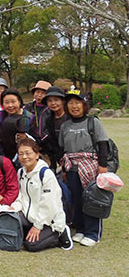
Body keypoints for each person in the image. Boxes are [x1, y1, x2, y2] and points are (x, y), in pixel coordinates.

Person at [58, 89, 109, 247]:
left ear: (84, 104)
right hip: (72, 168)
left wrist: (103, 166)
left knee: (92, 199)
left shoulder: (93, 122)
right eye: (71, 103)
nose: (74, 106)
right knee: (77, 199)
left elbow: (103, 144)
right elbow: (62, 148)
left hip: (91, 168)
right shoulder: (65, 125)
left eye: (77, 102)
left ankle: (93, 233)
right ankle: (80, 228)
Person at [9, 137, 73, 251]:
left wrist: (37, 226)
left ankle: (60, 232)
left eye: (28, 153)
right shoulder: (20, 172)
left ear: (37, 154)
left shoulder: (45, 174)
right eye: (21, 153)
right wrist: (13, 208)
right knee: (12, 222)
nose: (24, 157)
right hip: (30, 216)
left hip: (48, 220)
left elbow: (49, 204)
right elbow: (21, 196)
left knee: (30, 245)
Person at [0, 88, 33, 163]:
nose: (10, 105)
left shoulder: (29, 117)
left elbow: (37, 139)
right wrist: (3, 159)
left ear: (19, 102)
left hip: (27, 157)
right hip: (4, 157)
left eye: (13, 102)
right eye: (6, 102)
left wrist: (26, 138)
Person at [41, 86, 68, 169]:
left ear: (63, 101)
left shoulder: (70, 116)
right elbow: (53, 140)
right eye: (49, 101)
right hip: (60, 156)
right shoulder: (49, 120)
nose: (53, 103)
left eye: (56, 100)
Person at [24, 80, 52, 146]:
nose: (39, 95)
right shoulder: (28, 107)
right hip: (30, 143)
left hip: (47, 143)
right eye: (37, 92)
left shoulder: (51, 109)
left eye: (43, 93)